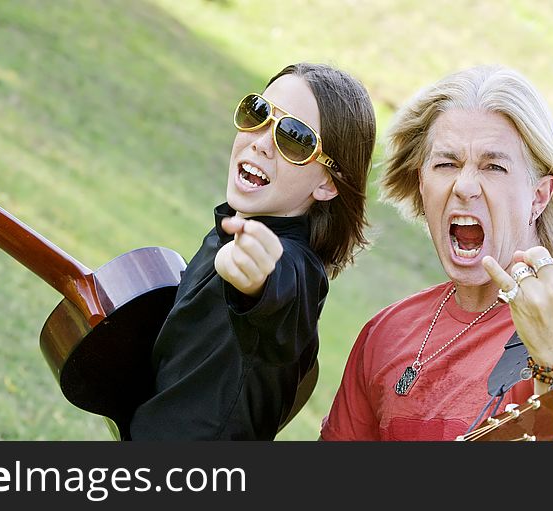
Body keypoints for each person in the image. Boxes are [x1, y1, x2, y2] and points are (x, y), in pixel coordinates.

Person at [320, 65, 553, 441]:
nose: (464, 186)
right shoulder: (387, 333)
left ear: (538, 197)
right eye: (446, 164)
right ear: (422, 184)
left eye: (494, 166)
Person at [129, 62, 377, 439]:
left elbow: (283, 293)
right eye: (258, 113)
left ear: (328, 183)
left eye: (294, 137)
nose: (262, 141)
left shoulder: (294, 268)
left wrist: (259, 282)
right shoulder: (228, 230)